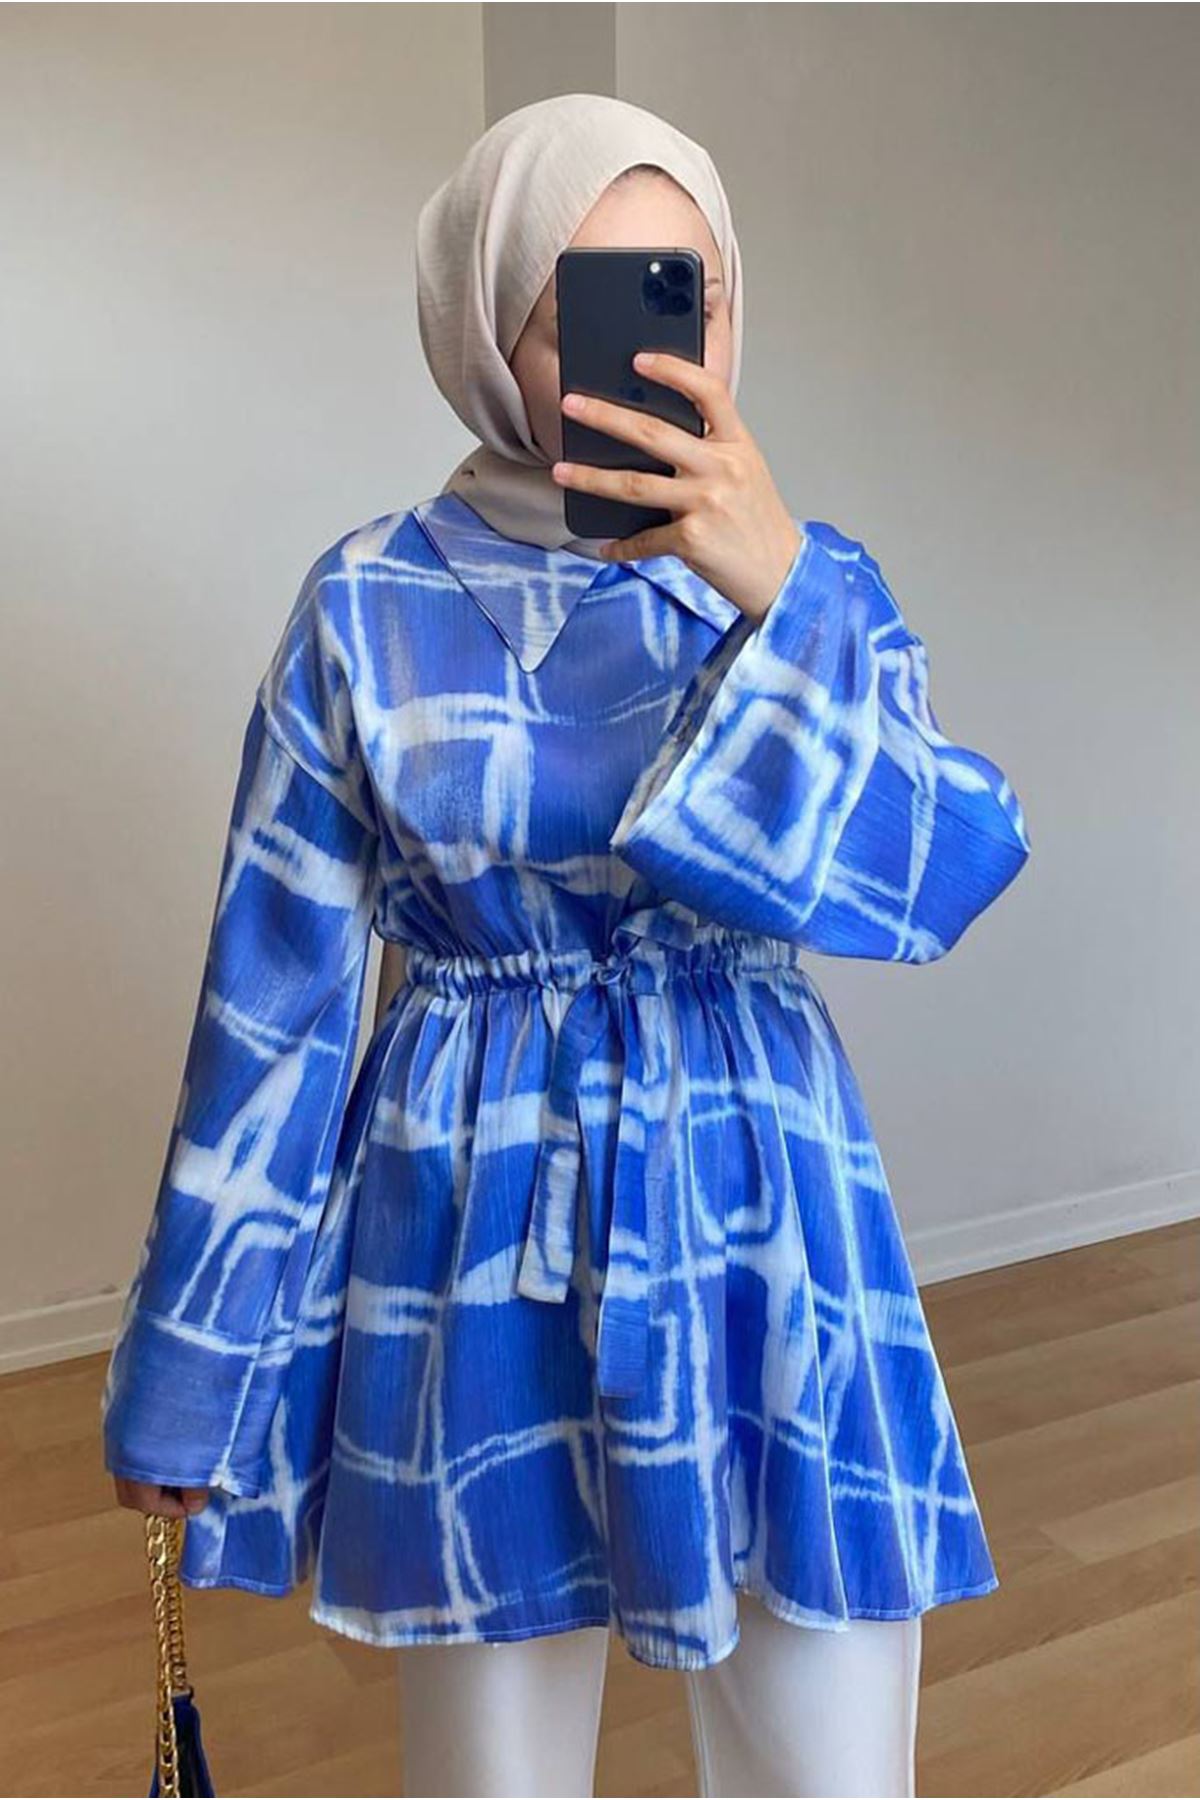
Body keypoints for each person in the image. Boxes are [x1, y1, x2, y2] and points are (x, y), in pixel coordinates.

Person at [102, 93, 1031, 1797]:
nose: (652, 357)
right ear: (485, 331)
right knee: (492, 1777)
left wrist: (779, 589)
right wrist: (187, 1376)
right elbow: (273, 1013)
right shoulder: (364, 606)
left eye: (689, 296)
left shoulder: (812, 588)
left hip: (764, 1206)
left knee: (828, 1764)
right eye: (586, 309)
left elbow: (945, 874)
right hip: (469, 1225)